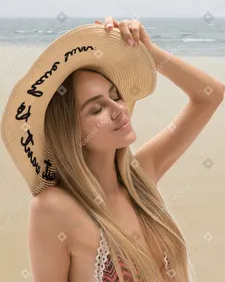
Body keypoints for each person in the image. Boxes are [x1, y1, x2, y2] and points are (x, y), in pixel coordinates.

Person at [1, 18, 224, 281]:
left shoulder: (141, 176)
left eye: (115, 96)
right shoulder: (53, 207)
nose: (119, 109)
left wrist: (149, 53)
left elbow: (211, 95)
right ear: (71, 131)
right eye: (97, 109)